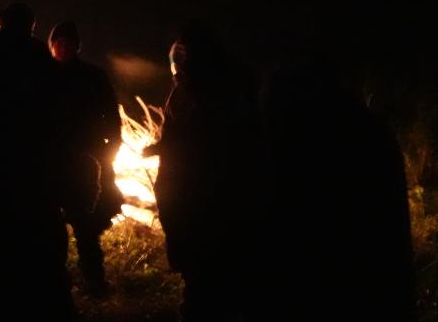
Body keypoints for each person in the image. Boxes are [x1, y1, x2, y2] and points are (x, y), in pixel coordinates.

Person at [258, 54, 414, 321]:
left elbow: (288, 227)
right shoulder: (371, 131)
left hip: (329, 292)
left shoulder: (302, 144)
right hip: (378, 290)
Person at [0, 3, 80, 320]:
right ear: (32, 27)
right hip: (37, 187)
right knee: (42, 266)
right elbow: (62, 129)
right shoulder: (44, 69)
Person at [145, 24, 260, 321]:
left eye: (182, 56)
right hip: (200, 195)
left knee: (208, 277)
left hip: (205, 198)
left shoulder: (214, 89)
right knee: (210, 275)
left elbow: (206, 141)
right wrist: (161, 147)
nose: (177, 64)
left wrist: (171, 151)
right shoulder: (201, 86)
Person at [48, 21, 123, 296]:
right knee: (51, 227)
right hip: (53, 161)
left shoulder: (93, 76)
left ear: (77, 45)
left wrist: (110, 148)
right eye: (58, 42)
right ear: (51, 44)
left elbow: (110, 116)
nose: (63, 47)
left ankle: (94, 279)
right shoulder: (45, 76)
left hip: (85, 162)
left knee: (85, 225)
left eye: (68, 43)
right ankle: (56, 282)